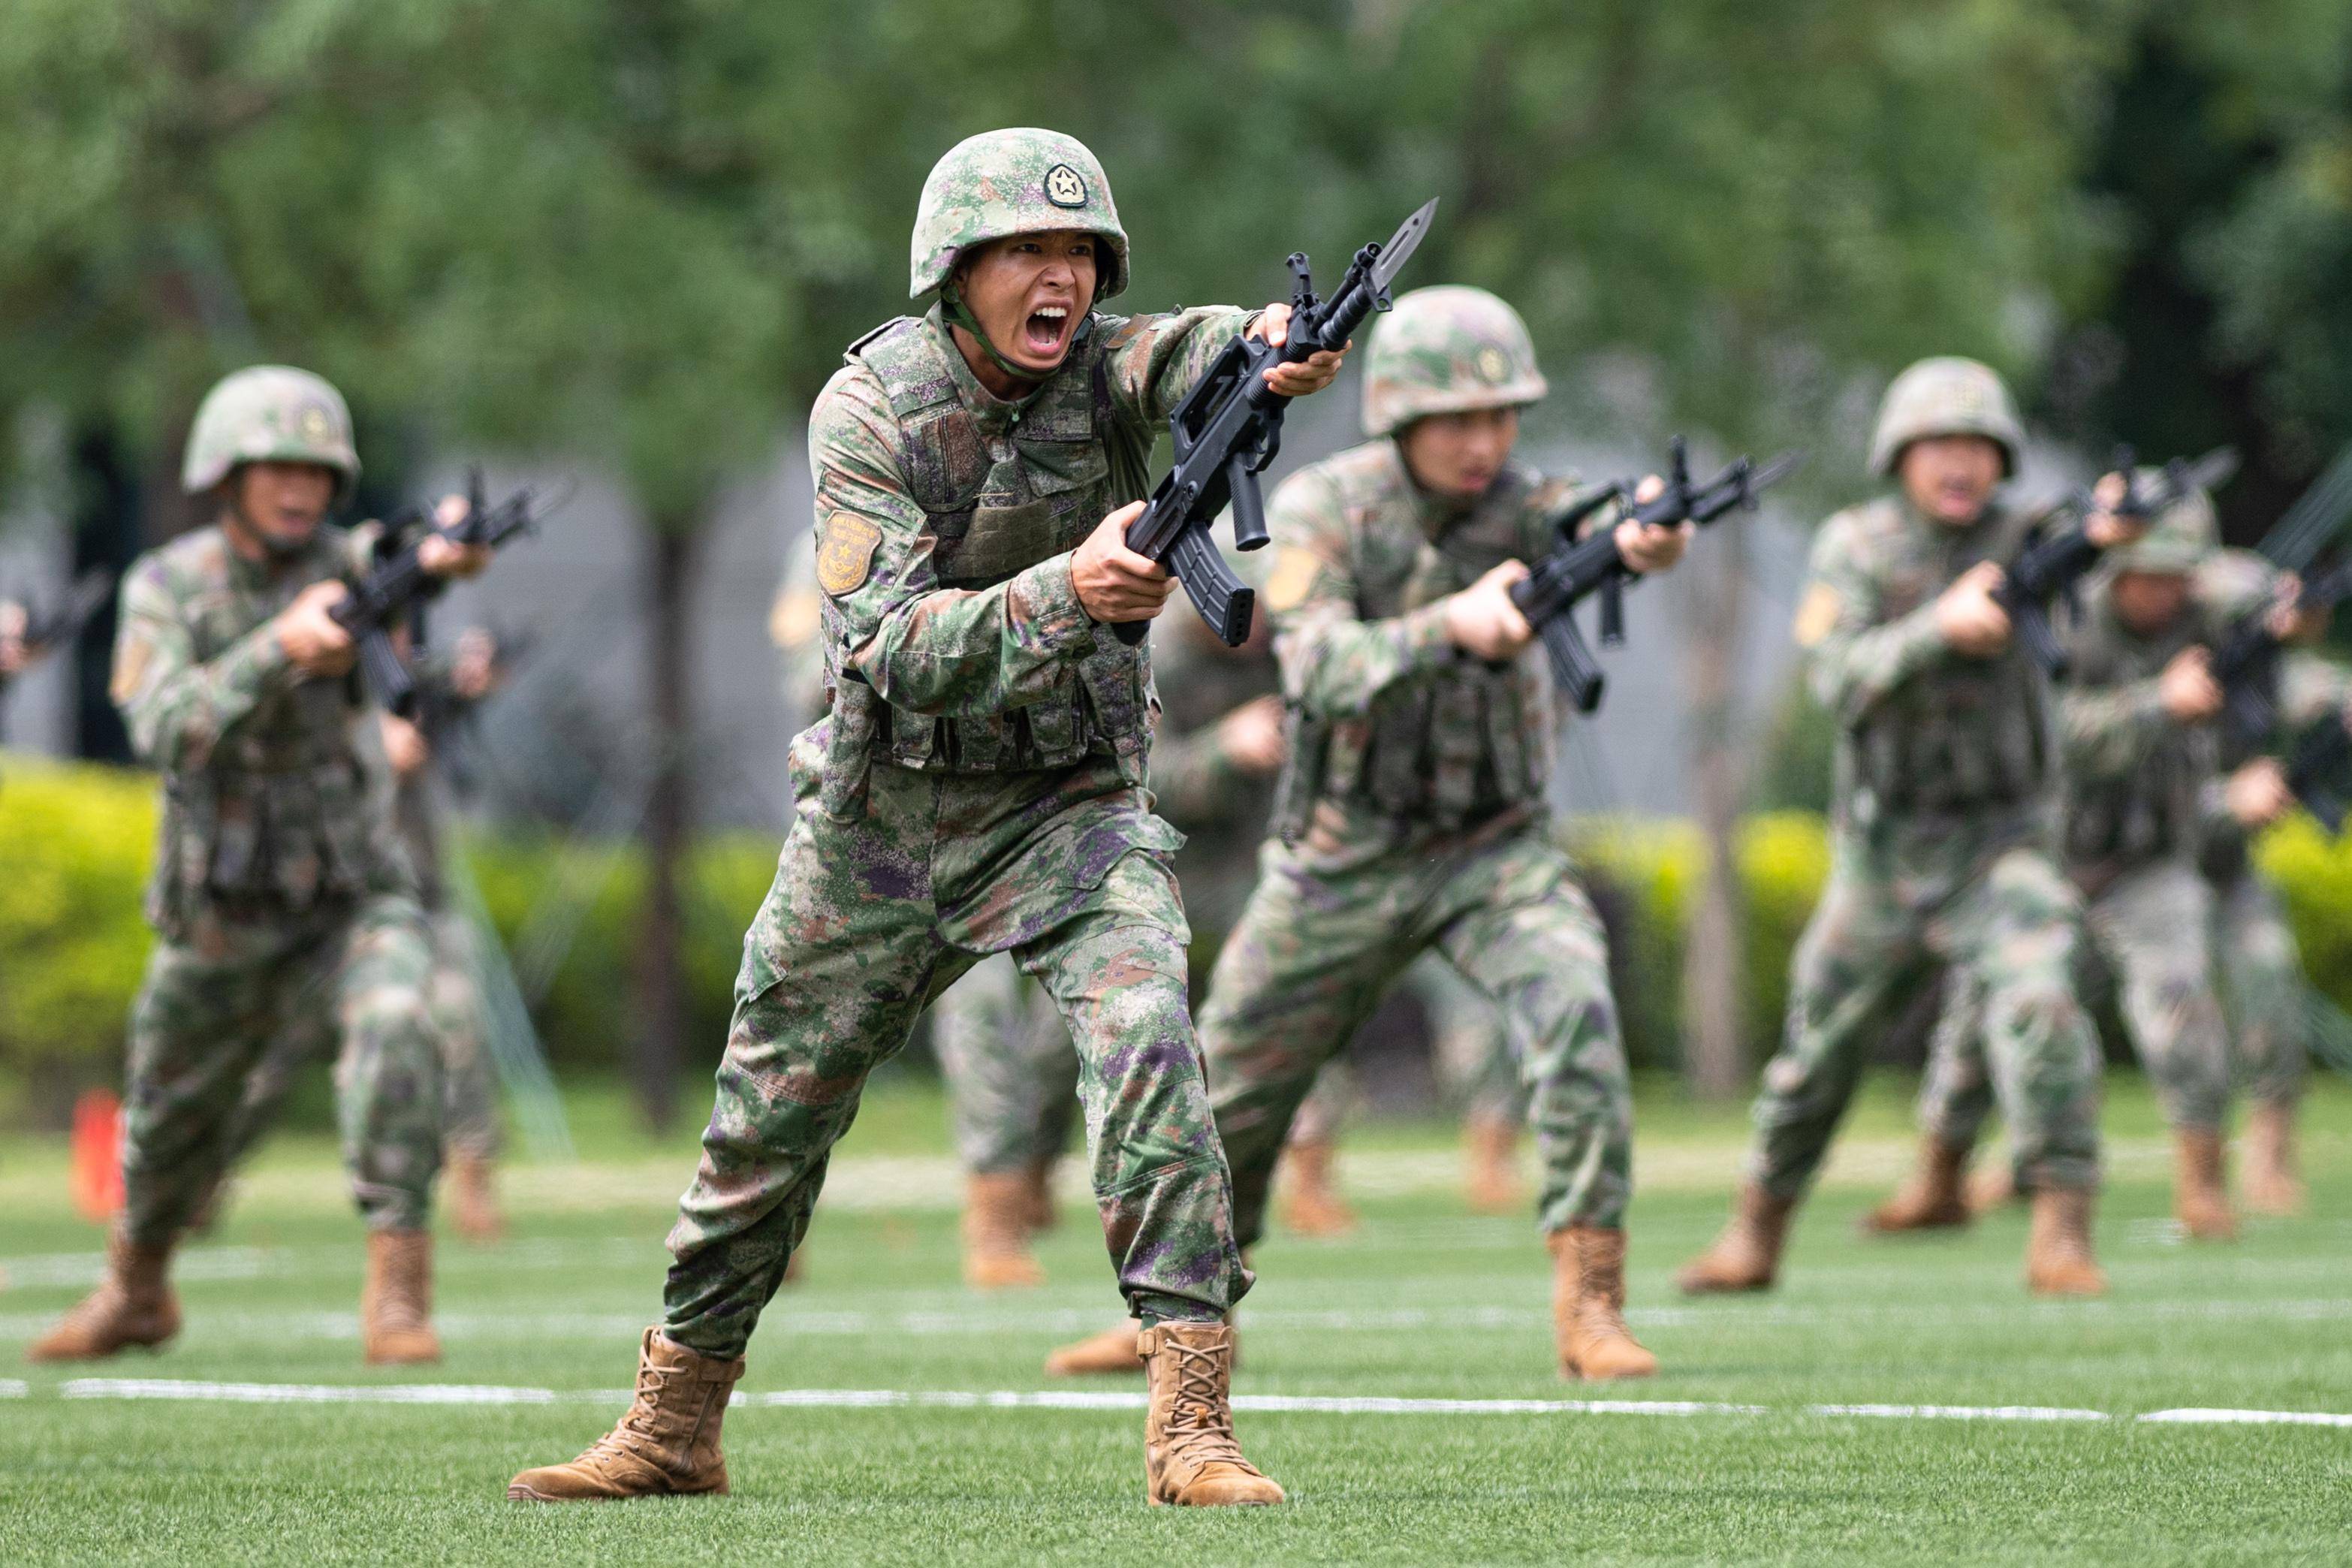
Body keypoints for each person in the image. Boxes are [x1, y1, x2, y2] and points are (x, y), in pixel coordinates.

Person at [509, 128, 1345, 1509]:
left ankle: (1192, 1419)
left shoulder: (1105, 365)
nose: (1059, 278)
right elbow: (884, 644)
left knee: (1148, 1041)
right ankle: (674, 1422)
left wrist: (1264, 346)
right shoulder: (869, 409)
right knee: (762, 1123)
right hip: (881, 818)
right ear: (957, 270)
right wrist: (1070, 587)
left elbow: (1182, 352)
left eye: (1079, 252)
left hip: (1068, 803)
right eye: (1028, 250)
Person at [1047, 285, 1689, 1384]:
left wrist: (1642, 535)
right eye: (1457, 420)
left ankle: (1592, 1301)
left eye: (1501, 417)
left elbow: (1594, 518)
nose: (1483, 442)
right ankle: (1182, 1305)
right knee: (1231, 1088)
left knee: (1576, 1012)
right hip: (1343, 852)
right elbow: (1321, 666)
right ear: (1400, 416)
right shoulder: (1325, 511)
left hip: (1497, 848)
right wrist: (1454, 625)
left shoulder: (1531, 504)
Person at [28, 366, 488, 1366]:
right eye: (276, 470)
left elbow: (408, 555)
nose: (298, 491)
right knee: (168, 1121)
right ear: (225, 476)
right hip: (222, 908)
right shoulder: (168, 584)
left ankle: (399, 1291)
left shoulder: (352, 560)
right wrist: (276, 649)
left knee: (403, 1025)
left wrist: (448, 550)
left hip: (352, 893)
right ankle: (136, 1291)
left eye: (317, 473)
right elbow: (159, 725)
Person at [1679, 356, 2130, 1300]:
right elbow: (1832, 678)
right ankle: (1757, 1230)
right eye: (1938, 446)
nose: (1958, 464)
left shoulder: (2030, 535)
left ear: (2002, 459)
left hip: (2000, 845)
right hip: (1884, 854)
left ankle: (2061, 1227)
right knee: (1818, 1051)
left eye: (1976, 446)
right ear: (1902, 457)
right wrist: (1940, 627)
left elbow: (2103, 557)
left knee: (2045, 1003)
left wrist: (2117, 526)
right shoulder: (1856, 545)